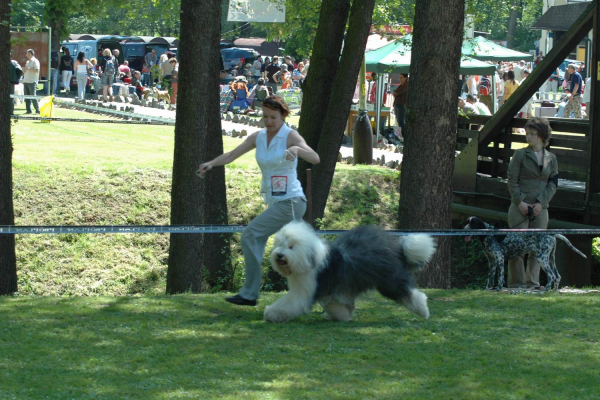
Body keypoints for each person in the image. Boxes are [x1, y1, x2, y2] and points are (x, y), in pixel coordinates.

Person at [197, 95, 320, 306]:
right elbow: (231, 155)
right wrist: (211, 163)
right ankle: (325, 289)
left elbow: (315, 158)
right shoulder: (258, 137)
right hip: (277, 202)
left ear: (282, 115)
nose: (269, 121)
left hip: (291, 202)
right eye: (265, 116)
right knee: (304, 253)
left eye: (273, 117)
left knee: (251, 235)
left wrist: (297, 150)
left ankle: (250, 293)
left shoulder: (290, 135)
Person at [507, 117, 558, 289]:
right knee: (516, 247)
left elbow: (553, 183)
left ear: (542, 136)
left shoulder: (552, 158)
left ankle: (533, 284)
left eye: (532, 134)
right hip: (519, 207)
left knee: (538, 248)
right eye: (527, 134)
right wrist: (520, 202)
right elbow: (511, 180)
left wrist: (541, 203)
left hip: (540, 208)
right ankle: (516, 285)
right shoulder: (520, 154)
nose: (528, 137)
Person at [22, 49, 40, 114]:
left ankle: (37, 110)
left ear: (31, 54)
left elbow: (37, 70)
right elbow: (26, 71)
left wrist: (29, 69)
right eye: (26, 54)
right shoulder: (27, 62)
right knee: (26, 97)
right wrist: (24, 70)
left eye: (28, 54)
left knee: (33, 97)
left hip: (32, 81)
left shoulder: (35, 61)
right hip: (26, 81)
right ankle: (28, 110)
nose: (26, 55)